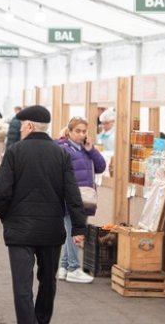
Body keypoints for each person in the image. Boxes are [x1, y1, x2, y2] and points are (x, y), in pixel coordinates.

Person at [0, 105, 87, 324]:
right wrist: (79, 227)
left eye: (21, 126)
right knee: (48, 281)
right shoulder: (61, 153)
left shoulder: (14, 152)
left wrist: (5, 217)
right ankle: (42, 320)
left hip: (19, 231)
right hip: (51, 230)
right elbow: (72, 193)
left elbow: (2, 192)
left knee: (22, 285)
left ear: (28, 125)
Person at [55, 117, 106, 284]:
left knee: (72, 231)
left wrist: (91, 150)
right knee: (74, 231)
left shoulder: (85, 149)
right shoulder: (63, 148)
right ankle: (73, 268)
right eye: (78, 131)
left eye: (84, 131)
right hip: (70, 197)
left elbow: (101, 167)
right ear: (69, 132)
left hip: (84, 197)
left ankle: (63, 267)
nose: (81, 134)